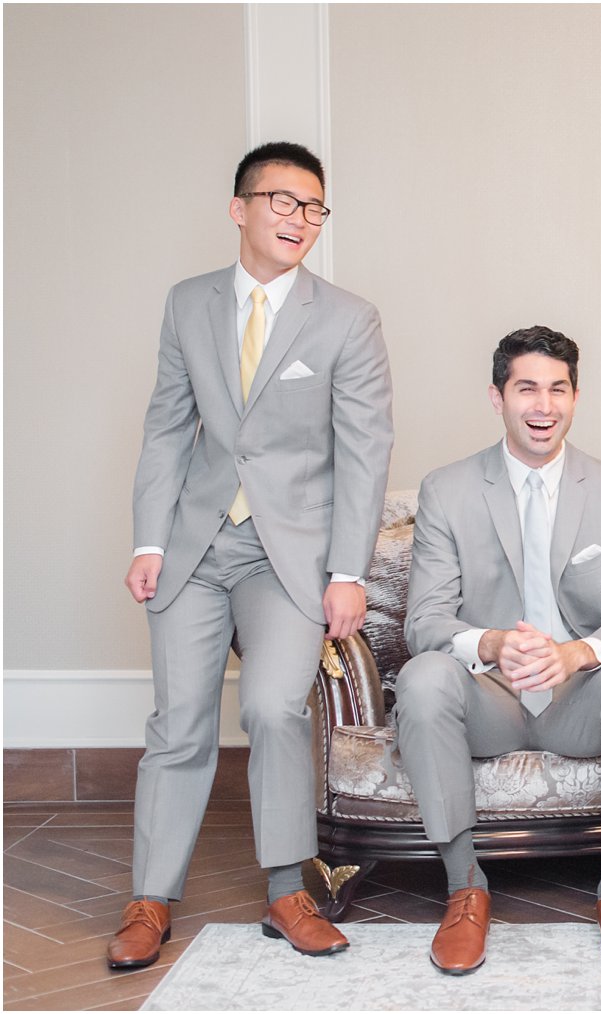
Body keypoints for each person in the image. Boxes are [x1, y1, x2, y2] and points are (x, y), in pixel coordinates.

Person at [112, 141, 394, 968]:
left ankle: (286, 890)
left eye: (314, 208)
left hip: (291, 554)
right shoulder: (187, 303)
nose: (299, 219)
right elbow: (166, 427)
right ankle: (149, 900)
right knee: (178, 725)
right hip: (197, 546)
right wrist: (150, 541)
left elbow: (364, 452)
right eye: (282, 201)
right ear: (240, 209)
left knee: (274, 710)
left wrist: (348, 572)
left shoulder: (348, 318)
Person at [393, 326, 601, 975]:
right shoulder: (448, 489)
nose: (543, 406)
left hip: (578, 698)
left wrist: (573, 655)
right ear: (497, 397)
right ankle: (465, 887)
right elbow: (425, 621)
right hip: (490, 693)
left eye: (557, 389)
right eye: (527, 389)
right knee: (424, 677)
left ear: (575, 396)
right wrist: (489, 642)